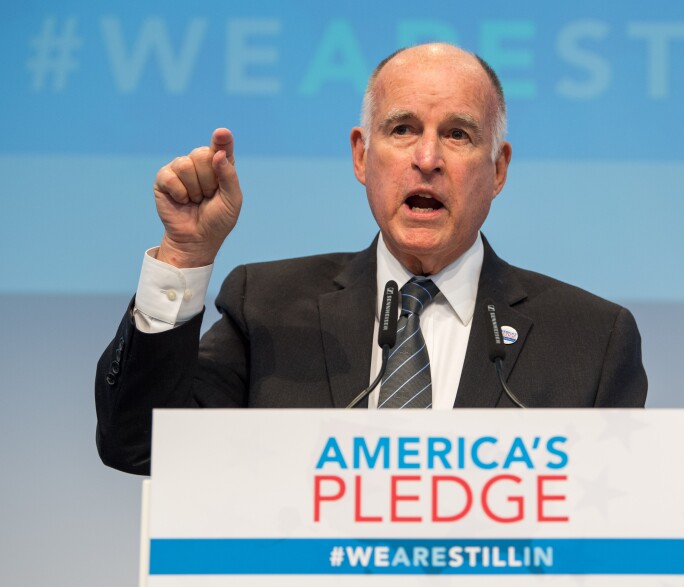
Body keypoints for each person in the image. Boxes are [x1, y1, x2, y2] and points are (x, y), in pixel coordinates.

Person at [96, 43, 647, 475]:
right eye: (402, 129)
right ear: (362, 154)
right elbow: (140, 446)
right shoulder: (267, 308)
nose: (426, 159)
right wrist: (185, 256)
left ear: (497, 169)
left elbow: (617, 526)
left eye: (457, 134)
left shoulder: (590, 341)